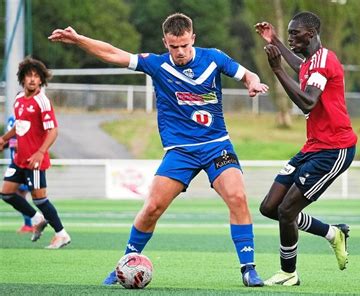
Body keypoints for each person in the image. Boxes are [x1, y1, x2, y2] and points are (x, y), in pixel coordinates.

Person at [49, 13, 268, 287]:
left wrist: (252, 82)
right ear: (165, 42)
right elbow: (113, 54)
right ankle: (126, 263)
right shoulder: (156, 64)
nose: (180, 52)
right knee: (152, 207)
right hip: (180, 151)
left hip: (216, 145)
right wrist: (79, 40)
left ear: (193, 39)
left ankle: (248, 269)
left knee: (237, 196)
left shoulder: (213, 57)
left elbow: (247, 73)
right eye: (174, 46)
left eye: (185, 45)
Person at [255, 11, 357, 286]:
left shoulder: (324, 60)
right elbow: (300, 66)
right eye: (287, 34)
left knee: (287, 211)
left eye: (294, 33)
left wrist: (276, 69)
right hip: (313, 147)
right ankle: (332, 233)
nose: (290, 39)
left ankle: (289, 273)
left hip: (334, 149)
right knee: (269, 207)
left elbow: (308, 103)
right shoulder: (311, 62)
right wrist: (274, 38)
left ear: (310, 33)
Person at [0, 57, 71, 249]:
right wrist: (4, 139)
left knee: (39, 199)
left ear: (41, 80)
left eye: (36, 76)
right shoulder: (18, 99)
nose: (32, 79)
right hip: (19, 158)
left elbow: (53, 130)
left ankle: (61, 234)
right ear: (22, 79)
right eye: (28, 76)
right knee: (6, 193)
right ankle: (36, 218)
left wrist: (40, 152)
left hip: (35, 160)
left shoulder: (42, 101)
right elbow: (20, 125)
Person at [5, 115, 33, 233]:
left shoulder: (30, 118)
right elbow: (10, 142)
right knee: (17, 194)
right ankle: (30, 223)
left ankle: (35, 222)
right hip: (16, 165)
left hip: (26, 165)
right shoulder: (11, 119)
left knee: (37, 196)